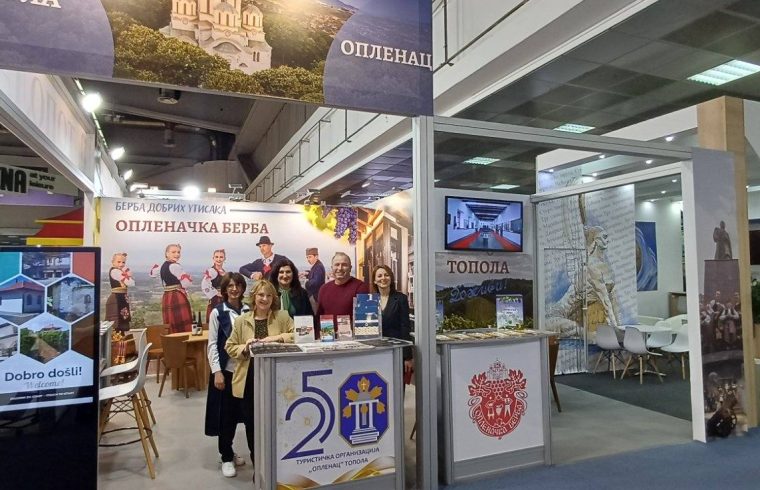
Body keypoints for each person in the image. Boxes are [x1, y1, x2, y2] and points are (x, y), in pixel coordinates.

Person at [225, 280, 293, 466]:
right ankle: (259, 466)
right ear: (254, 297)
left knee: (278, 421)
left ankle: (278, 465)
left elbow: (297, 334)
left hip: (278, 379)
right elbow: (230, 347)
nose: (265, 299)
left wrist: (275, 338)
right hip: (249, 379)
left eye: (269, 295)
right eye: (261, 295)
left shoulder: (282, 316)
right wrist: (245, 348)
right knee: (252, 424)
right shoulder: (241, 320)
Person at [204, 273, 249, 478]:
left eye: (238, 285)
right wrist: (217, 371)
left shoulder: (249, 310)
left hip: (248, 372)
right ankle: (226, 456)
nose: (234, 289)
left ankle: (242, 452)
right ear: (224, 289)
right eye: (230, 286)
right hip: (227, 372)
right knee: (226, 417)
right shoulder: (218, 312)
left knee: (247, 415)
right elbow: (212, 344)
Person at [371, 265, 413, 376]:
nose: (383, 278)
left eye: (386, 275)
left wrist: (408, 357)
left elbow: (405, 327)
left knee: (397, 382)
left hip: (396, 350)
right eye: (379, 276)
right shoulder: (370, 300)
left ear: (391, 278)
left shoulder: (401, 298)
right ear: (374, 280)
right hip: (376, 351)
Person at [316, 252, 369, 334]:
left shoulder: (360, 287)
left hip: (351, 338)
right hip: (327, 337)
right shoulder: (324, 289)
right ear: (332, 267)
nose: (340, 268)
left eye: (344, 265)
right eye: (337, 264)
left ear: (350, 268)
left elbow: (364, 318)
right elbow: (320, 317)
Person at [150, 243, 193, 333]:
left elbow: (152, 274)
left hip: (167, 296)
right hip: (177, 296)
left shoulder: (162, 266)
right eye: (173, 252)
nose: (177, 254)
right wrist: (189, 279)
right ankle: (183, 339)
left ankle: (172, 339)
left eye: (178, 252)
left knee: (170, 321)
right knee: (180, 320)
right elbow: (186, 284)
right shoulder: (175, 266)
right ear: (167, 253)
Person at [105, 252, 133, 333]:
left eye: (123, 262)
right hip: (116, 299)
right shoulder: (115, 271)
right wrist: (128, 274)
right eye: (118, 262)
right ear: (113, 262)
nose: (121, 264)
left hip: (122, 298)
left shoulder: (120, 271)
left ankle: (121, 337)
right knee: (116, 323)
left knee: (121, 323)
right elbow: (130, 282)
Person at [202, 249, 227, 324]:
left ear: (224, 259)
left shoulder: (223, 271)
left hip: (223, 299)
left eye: (221, 257)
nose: (219, 259)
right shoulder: (211, 271)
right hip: (215, 300)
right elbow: (204, 285)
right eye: (216, 257)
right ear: (213, 258)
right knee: (215, 322)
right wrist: (216, 292)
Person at [301, 247, 325, 313]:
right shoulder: (316, 265)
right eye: (307, 257)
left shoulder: (318, 267)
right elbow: (315, 275)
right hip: (315, 296)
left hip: (315, 297)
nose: (308, 259)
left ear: (316, 256)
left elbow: (316, 282)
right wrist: (306, 274)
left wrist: (306, 283)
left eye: (310, 257)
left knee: (315, 314)